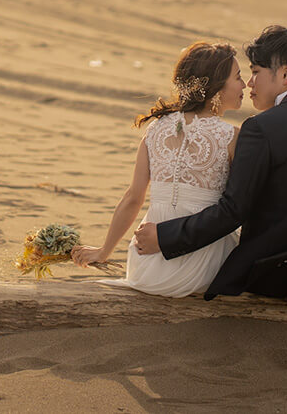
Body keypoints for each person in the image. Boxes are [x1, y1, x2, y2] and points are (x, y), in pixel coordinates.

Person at [133, 25, 287, 301]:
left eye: (256, 72)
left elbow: (234, 211)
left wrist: (165, 237)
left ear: (285, 74)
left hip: (271, 279)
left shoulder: (261, 127)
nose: (250, 83)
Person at [71, 41, 247, 297]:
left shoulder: (156, 130)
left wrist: (104, 251)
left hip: (147, 264)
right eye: (239, 77)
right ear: (216, 86)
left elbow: (133, 198)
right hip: (203, 262)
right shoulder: (232, 137)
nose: (244, 85)